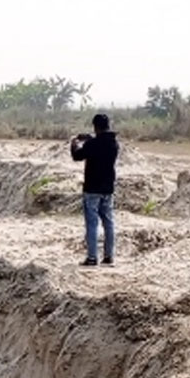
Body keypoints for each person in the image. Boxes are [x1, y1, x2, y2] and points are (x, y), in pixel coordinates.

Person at [69, 113, 118, 266]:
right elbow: (101, 145)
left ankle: (92, 257)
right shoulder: (114, 144)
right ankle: (109, 256)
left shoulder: (92, 145)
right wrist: (91, 139)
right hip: (108, 188)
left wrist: (74, 144)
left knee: (92, 224)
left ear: (95, 127)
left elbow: (77, 156)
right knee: (108, 223)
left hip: (92, 188)